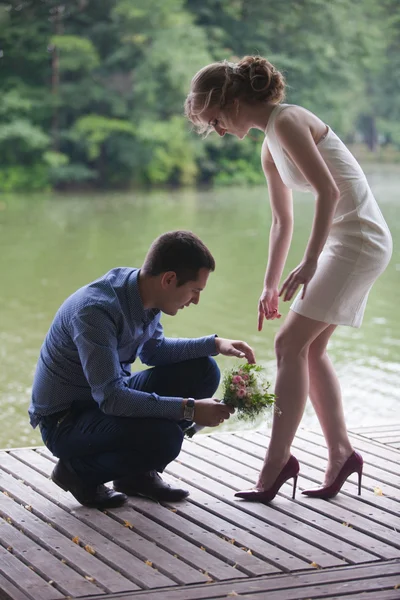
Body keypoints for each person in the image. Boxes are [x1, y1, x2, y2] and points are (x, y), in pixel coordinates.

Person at [185, 56, 392, 503]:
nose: (218, 131)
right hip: (341, 240)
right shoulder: (267, 146)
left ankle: (277, 463)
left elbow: (329, 192)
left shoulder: (289, 120)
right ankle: (342, 455)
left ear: (232, 101)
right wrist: (268, 283)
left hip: (357, 238)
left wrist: (312, 261)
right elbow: (282, 221)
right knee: (309, 348)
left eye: (216, 119)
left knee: (287, 345)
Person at [29, 230, 256, 508]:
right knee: (165, 438)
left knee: (203, 370)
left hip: (103, 402)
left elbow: (154, 351)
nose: (196, 300)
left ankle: (134, 476)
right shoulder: (95, 312)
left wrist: (215, 344)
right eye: (195, 290)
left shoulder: (145, 293)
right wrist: (190, 409)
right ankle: (77, 472)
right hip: (67, 422)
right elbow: (112, 398)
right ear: (169, 279)